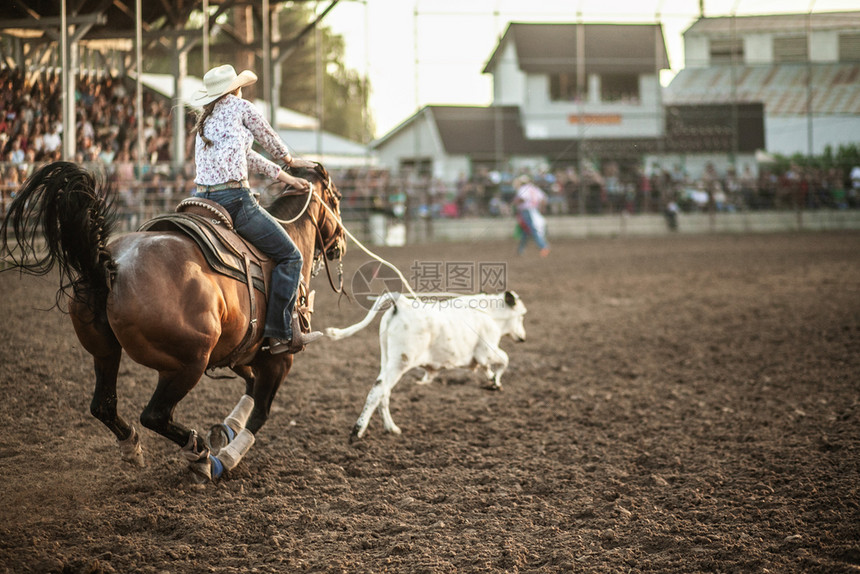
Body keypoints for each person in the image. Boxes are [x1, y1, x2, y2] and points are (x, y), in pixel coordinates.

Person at [190, 64, 321, 354]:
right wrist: (290, 160)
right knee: (291, 256)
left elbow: (247, 155)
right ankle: (278, 332)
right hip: (234, 201)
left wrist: (286, 178)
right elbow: (267, 135)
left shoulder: (206, 120)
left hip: (201, 201)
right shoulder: (241, 107)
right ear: (236, 88)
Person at [512, 174, 550, 257]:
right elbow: (544, 199)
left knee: (532, 229)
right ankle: (520, 249)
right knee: (526, 230)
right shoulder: (535, 189)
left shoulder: (523, 189)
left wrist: (515, 202)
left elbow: (522, 198)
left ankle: (543, 246)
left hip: (526, 211)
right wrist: (541, 208)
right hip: (534, 210)